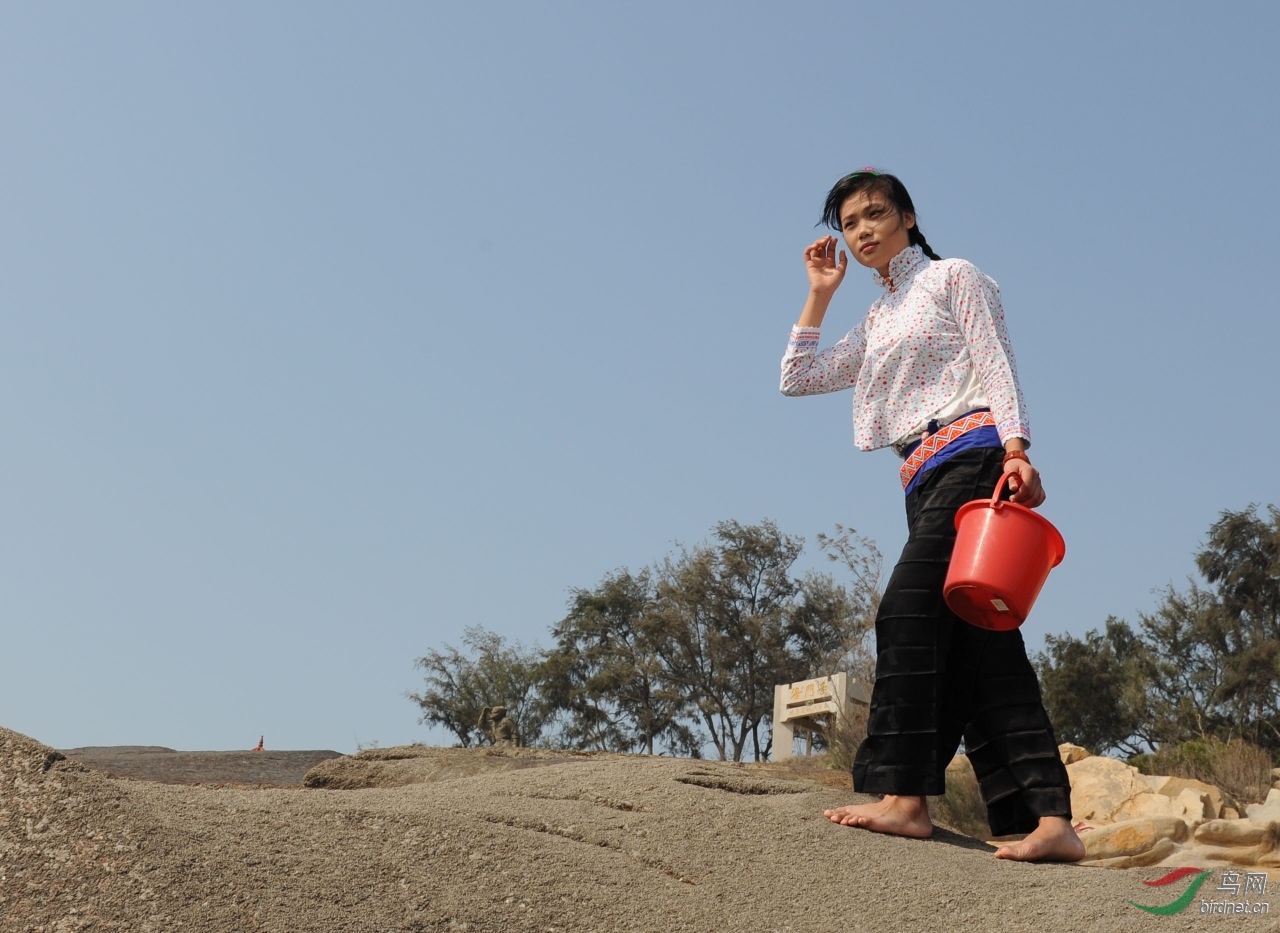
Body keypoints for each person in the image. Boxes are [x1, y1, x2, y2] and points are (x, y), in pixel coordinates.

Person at [779, 168, 1084, 863]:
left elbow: (996, 363)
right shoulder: (879, 318)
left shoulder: (955, 279)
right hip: (921, 482)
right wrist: (819, 297)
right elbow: (796, 379)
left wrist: (1016, 450)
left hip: (975, 462)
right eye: (851, 222)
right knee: (984, 646)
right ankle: (1049, 817)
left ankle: (905, 797)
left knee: (905, 611)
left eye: (876, 213)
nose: (862, 231)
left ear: (908, 218)